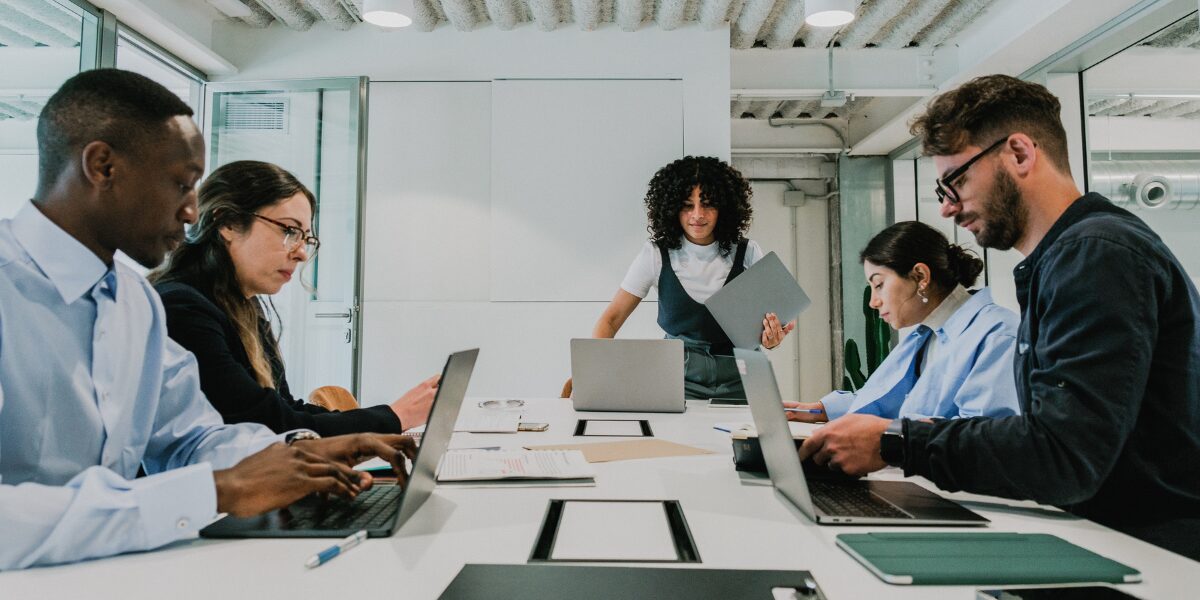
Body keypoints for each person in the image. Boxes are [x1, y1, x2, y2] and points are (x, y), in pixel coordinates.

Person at [0, 69, 415, 570]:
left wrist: (299, 451)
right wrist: (214, 491)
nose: (193, 211)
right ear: (102, 166)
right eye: (181, 184)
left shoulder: (136, 302)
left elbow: (190, 438)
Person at [798, 74, 1200, 560]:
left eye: (957, 180)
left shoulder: (1096, 255)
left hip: (1147, 554)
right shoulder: (1069, 258)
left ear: (1019, 154)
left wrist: (897, 444)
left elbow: (1063, 453)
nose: (947, 208)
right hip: (1109, 536)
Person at [149, 160, 437, 436]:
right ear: (228, 223)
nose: (300, 253)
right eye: (289, 231)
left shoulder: (243, 306)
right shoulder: (183, 308)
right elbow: (269, 427)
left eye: (305, 238)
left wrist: (390, 422)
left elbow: (285, 409)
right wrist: (395, 416)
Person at [565, 156, 793, 400]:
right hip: (678, 379)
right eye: (687, 205)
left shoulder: (748, 252)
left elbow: (773, 327)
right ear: (672, 207)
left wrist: (772, 341)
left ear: (725, 207)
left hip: (744, 376)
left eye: (708, 204)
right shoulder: (655, 255)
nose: (697, 214)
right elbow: (611, 319)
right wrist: (591, 372)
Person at [785, 221, 1020, 422]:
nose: (873, 302)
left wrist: (885, 435)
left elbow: (986, 436)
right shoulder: (927, 335)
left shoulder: (998, 335)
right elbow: (887, 399)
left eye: (879, 285)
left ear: (920, 277)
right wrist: (819, 410)